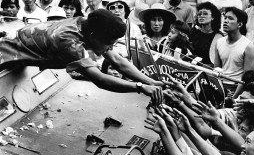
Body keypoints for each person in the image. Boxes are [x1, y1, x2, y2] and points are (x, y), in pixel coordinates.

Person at [0, 9, 164, 105]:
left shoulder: (88, 25)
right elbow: (100, 79)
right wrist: (139, 87)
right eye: (108, 43)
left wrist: (151, 81)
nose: (110, 48)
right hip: (5, 57)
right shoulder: (69, 42)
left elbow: (117, 60)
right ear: (94, 36)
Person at [214, 7, 254, 97]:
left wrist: (234, 97)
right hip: (220, 87)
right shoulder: (219, 42)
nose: (225, 21)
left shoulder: (248, 46)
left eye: (230, 18)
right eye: (225, 17)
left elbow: (247, 78)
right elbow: (216, 69)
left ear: (240, 24)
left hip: (236, 88)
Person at [189, 1, 223, 67]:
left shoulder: (218, 36)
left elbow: (217, 62)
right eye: (199, 14)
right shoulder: (194, 32)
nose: (201, 16)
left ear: (213, 17)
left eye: (205, 14)